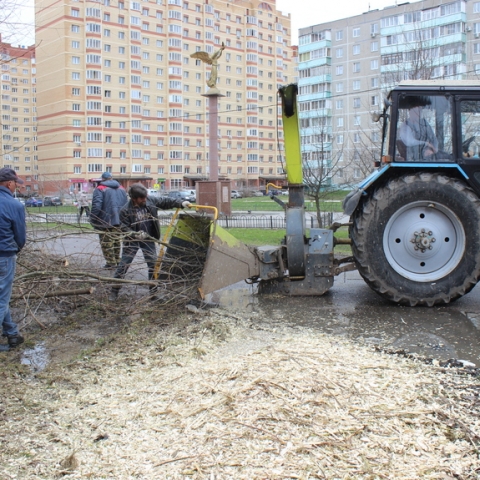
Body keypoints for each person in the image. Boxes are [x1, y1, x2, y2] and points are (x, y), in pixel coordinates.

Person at [109, 183, 192, 301]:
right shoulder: (125, 210)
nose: (145, 200)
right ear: (134, 199)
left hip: (148, 239)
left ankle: (153, 293)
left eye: (145, 197)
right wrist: (135, 234)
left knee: (153, 265)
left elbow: (165, 201)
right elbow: (123, 227)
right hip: (132, 241)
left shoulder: (150, 201)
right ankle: (114, 291)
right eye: (142, 198)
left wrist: (180, 203)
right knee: (124, 265)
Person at [0, 168, 26, 348]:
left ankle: (12, 333)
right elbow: (20, 237)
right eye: (16, 183)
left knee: (3, 296)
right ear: (9, 184)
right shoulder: (15, 205)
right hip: (4, 256)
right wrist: (14, 250)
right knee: (1, 299)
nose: (16, 186)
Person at [90, 172, 128, 268]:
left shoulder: (100, 189)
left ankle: (111, 263)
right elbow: (126, 204)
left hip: (105, 220)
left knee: (106, 242)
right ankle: (117, 260)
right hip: (119, 219)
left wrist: (93, 218)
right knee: (116, 240)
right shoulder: (122, 189)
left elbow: (96, 206)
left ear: (102, 179)